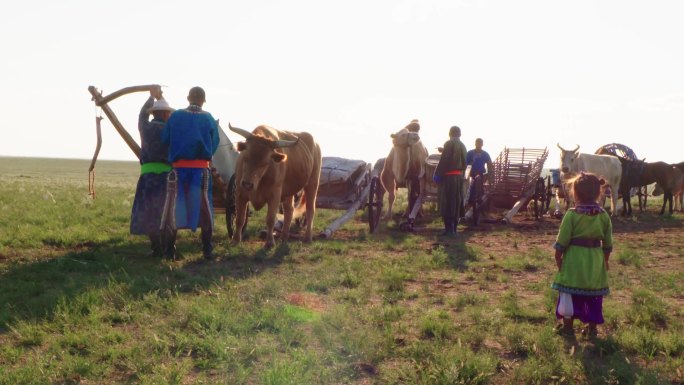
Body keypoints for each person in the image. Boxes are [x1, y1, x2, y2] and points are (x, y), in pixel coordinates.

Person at [160, 86, 219, 260]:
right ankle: (207, 250)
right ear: (203, 101)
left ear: (187, 98)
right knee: (204, 208)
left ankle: (170, 250)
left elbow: (165, 139)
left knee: (174, 207)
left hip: (178, 170)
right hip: (200, 171)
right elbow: (214, 144)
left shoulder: (175, 116)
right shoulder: (208, 119)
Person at [552, 172, 613, 338]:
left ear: (575, 193)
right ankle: (592, 328)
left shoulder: (572, 215)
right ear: (597, 193)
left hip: (573, 259)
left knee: (569, 294)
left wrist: (558, 257)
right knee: (593, 294)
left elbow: (562, 241)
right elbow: (608, 244)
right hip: (595, 259)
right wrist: (605, 261)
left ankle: (568, 328)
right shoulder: (603, 215)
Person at [130, 86, 173, 257]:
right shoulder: (171, 130)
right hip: (167, 177)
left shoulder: (145, 128)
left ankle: (156, 248)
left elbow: (142, 114)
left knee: (149, 212)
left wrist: (151, 98)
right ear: (165, 114)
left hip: (147, 177)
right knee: (167, 212)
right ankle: (167, 248)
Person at [433, 126, 467, 236]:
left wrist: (437, 174)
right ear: (460, 134)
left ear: (449, 134)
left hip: (448, 178)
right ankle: (454, 230)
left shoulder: (449, 143)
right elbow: (465, 164)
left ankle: (448, 230)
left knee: (447, 202)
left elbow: (444, 160)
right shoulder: (463, 146)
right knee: (456, 203)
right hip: (459, 178)